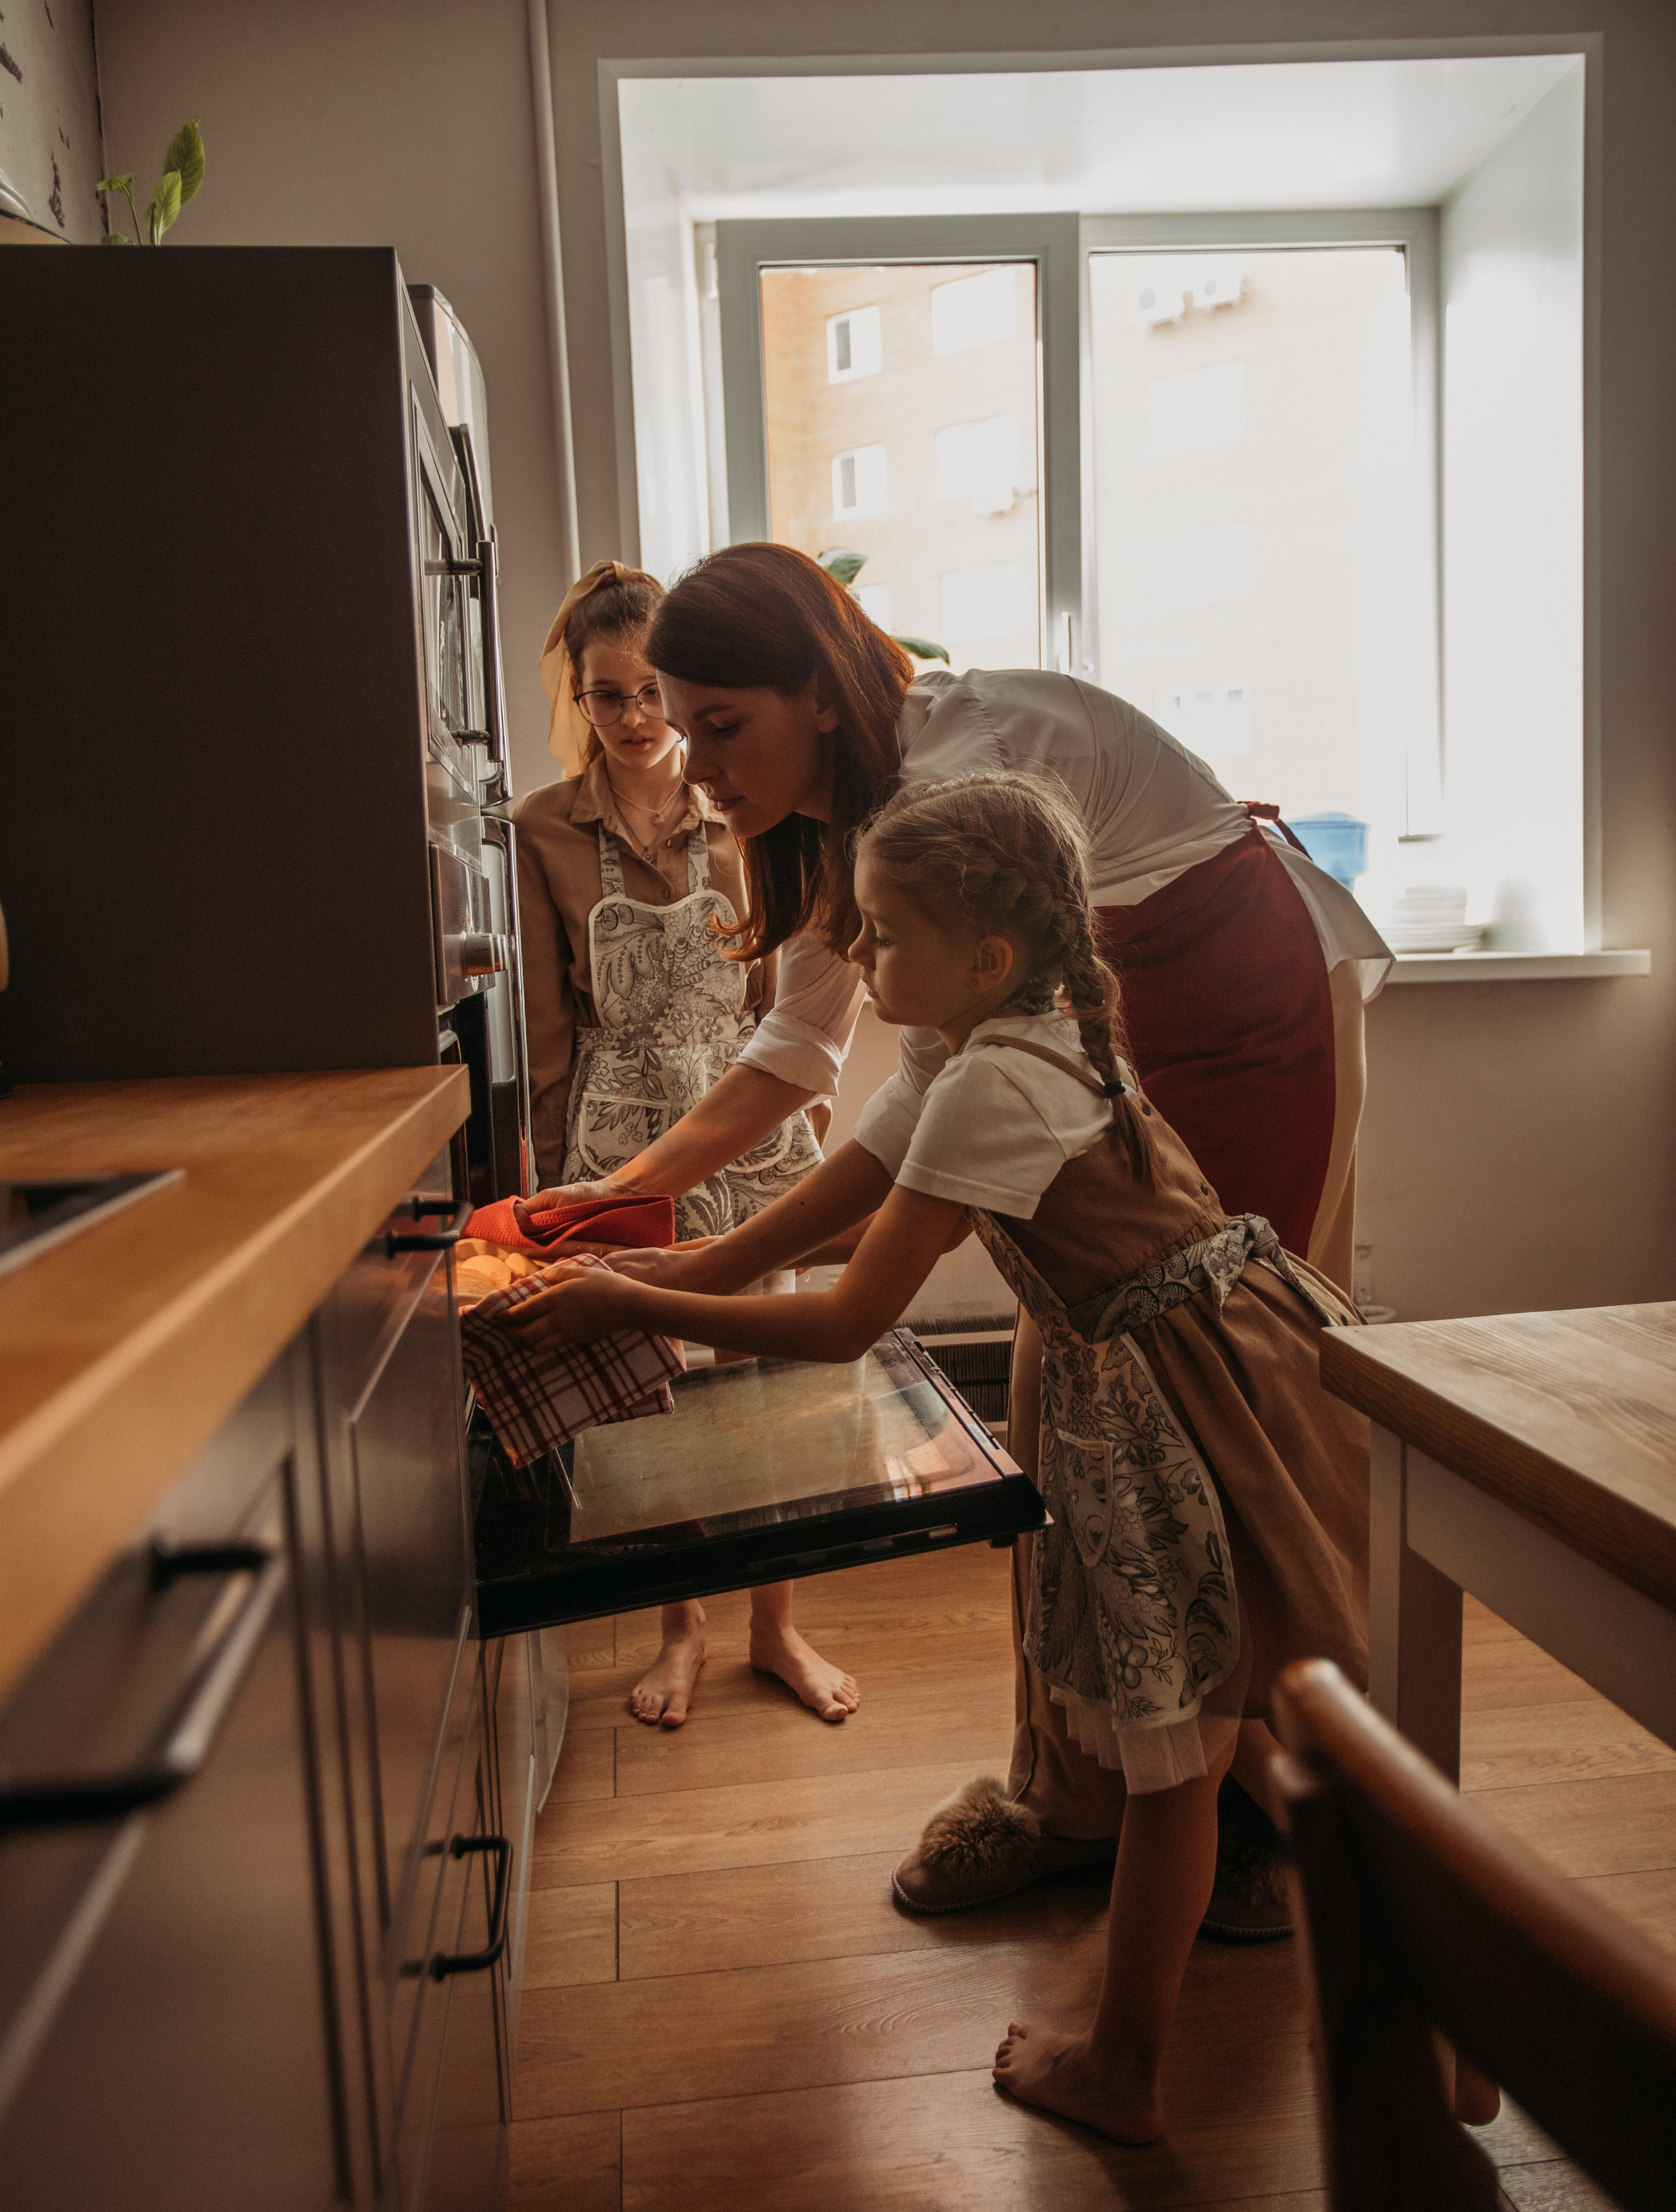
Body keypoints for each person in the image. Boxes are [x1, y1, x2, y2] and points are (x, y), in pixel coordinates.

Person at [519, 542, 1389, 1919]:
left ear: (815, 690)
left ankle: (1247, 1809)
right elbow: (807, 1053)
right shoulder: (843, 821)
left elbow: (915, 1107)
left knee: (1211, 1409)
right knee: (1076, 1405)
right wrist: (653, 1225)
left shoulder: (953, 786)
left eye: (717, 726)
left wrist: (679, 1275)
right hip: (1104, 1008)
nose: (688, 765)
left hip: (1230, 997)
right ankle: (1082, 1795)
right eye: (676, 728)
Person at [505, 772, 1369, 2144]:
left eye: (883, 933)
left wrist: (624, 1302)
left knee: (1173, 1755)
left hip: (1173, 1404)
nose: (856, 957)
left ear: (985, 958)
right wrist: (632, 1245)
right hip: (1171, 1369)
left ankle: (1129, 2066)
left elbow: (850, 1318)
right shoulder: (979, 1048)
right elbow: (803, 1222)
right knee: (1213, 1730)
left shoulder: (993, 1085)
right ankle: (1384, 1998)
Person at [507, 561, 847, 1729]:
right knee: (652, 1391)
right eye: (610, 697)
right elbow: (550, 1033)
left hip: (745, 1117)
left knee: (771, 1381)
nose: (641, 720)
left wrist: (804, 1126)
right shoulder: (540, 832)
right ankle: (682, 1627)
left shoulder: (749, 797)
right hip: (618, 1129)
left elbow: (793, 998)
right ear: (580, 699)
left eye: (655, 691)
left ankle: (777, 1629)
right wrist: (557, 1184)